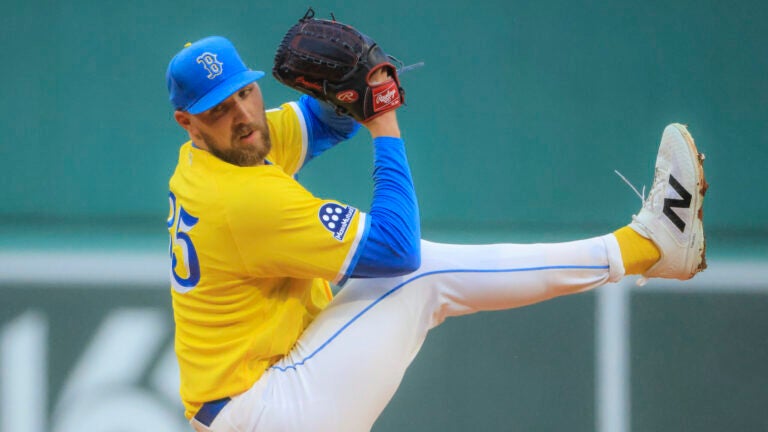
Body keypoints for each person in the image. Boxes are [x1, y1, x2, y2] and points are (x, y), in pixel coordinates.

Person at [165, 36, 706, 432]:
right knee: (418, 275)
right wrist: (383, 121)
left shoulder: (224, 153)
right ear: (187, 124)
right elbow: (396, 250)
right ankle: (649, 246)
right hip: (264, 412)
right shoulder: (239, 201)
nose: (243, 114)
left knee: (403, 279)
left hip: (262, 397)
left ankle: (650, 246)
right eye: (219, 108)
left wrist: (353, 88)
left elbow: (324, 122)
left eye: (246, 92)